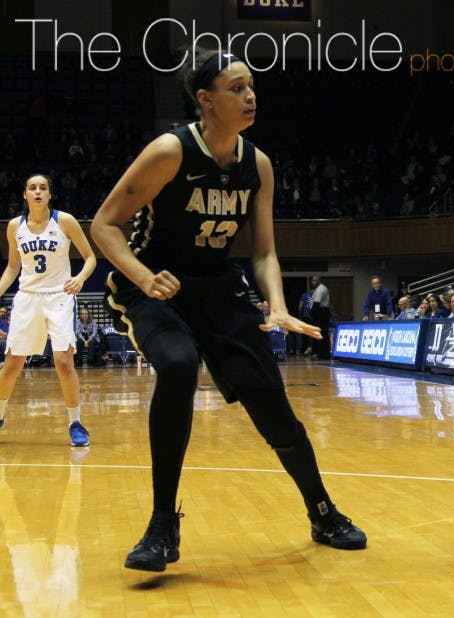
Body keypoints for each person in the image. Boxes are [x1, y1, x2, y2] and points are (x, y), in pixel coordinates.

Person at [89, 49, 366, 572]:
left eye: (252, 86)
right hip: (156, 288)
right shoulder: (170, 152)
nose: (250, 95)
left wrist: (279, 307)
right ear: (205, 100)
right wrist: (145, 277)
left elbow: (262, 251)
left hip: (219, 290)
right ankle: (161, 524)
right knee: (176, 365)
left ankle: (322, 511)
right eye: (236, 88)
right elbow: (104, 224)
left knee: (271, 403)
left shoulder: (257, 164)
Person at [0, 174, 95, 447]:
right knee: (11, 365)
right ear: (25, 194)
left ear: (50, 194)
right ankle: (0, 414)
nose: (38, 191)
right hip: (28, 297)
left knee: (64, 362)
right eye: (32, 188)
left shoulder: (64, 221)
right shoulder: (15, 227)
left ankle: (75, 423)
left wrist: (80, 278)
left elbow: (90, 257)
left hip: (59, 296)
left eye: (43, 188)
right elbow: (12, 267)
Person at [307, 276, 331, 359]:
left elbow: (316, 304)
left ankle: (323, 355)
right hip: (319, 313)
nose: (313, 282)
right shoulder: (317, 290)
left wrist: (311, 314)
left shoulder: (321, 289)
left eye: (315, 280)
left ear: (319, 281)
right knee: (319, 334)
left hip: (321, 313)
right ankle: (320, 353)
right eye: (312, 280)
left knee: (321, 334)